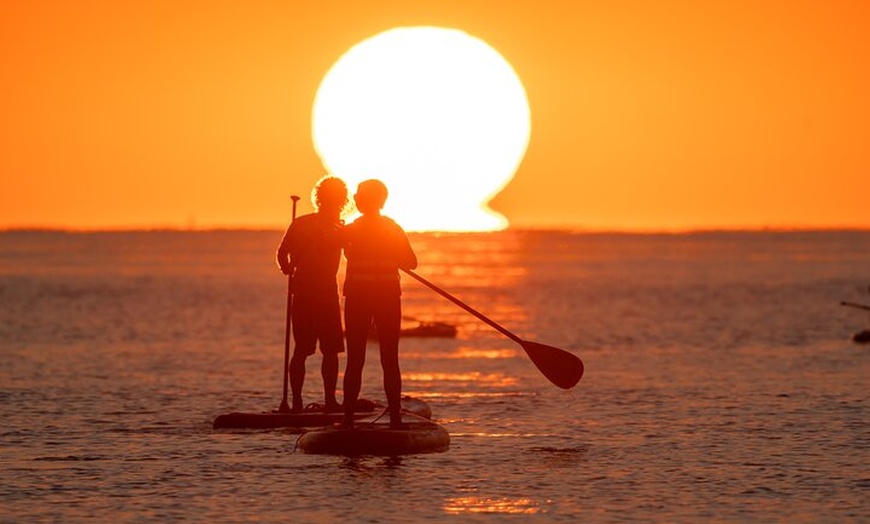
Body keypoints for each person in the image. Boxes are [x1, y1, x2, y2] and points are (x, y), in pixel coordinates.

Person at [341, 179, 417, 429]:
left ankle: (349, 420)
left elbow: (410, 262)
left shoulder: (351, 230)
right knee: (387, 358)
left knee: (357, 359)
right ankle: (393, 418)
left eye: (359, 195)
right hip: (381, 297)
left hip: (366, 297)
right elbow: (411, 261)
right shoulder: (391, 229)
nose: (356, 198)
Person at [276, 176, 348, 412]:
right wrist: (287, 267)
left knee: (306, 350)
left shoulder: (308, 223)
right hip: (320, 292)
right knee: (326, 350)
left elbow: (281, 254)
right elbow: (283, 254)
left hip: (307, 291)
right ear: (340, 200)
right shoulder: (338, 227)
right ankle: (325, 402)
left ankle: (301, 403)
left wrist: (287, 267)